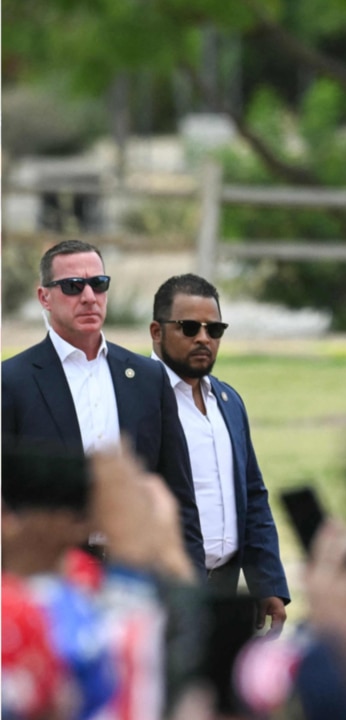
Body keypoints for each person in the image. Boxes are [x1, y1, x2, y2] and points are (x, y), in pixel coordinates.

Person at [1, 239, 203, 573]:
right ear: (44, 298)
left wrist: (191, 589)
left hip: (139, 567)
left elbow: (178, 493)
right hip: (52, 571)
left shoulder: (149, 378)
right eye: (72, 286)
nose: (88, 297)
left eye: (98, 284)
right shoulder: (11, 381)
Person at [150, 274, 290, 633]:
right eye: (189, 327)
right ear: (156, 331)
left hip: (224, 589)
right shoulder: (135, 398)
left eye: (214, 330)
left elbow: (253, 495)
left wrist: (267, 583)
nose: (203, 338)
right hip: (163, 593)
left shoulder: (227, 400)